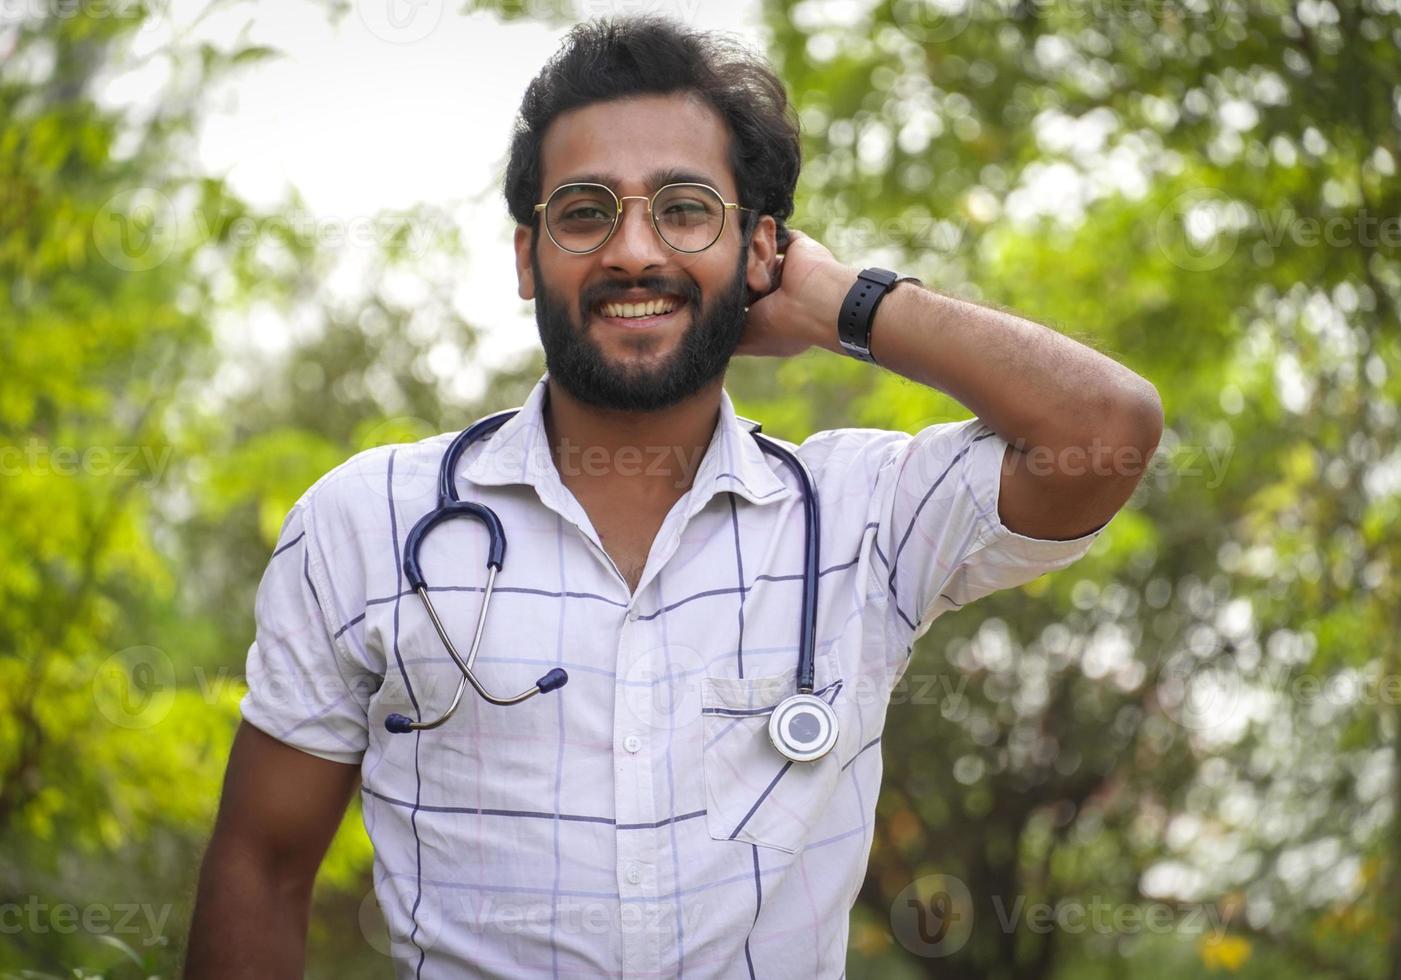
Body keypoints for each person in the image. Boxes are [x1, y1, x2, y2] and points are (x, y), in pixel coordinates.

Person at [184, 14, 1162, 979]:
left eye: (687, 209)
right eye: (584, 211)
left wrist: (838, 302)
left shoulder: (864, 517)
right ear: (528, 258)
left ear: (762, 250)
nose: (634, 251)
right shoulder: (367, 525)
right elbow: (260, 870)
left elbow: (1104, 430)